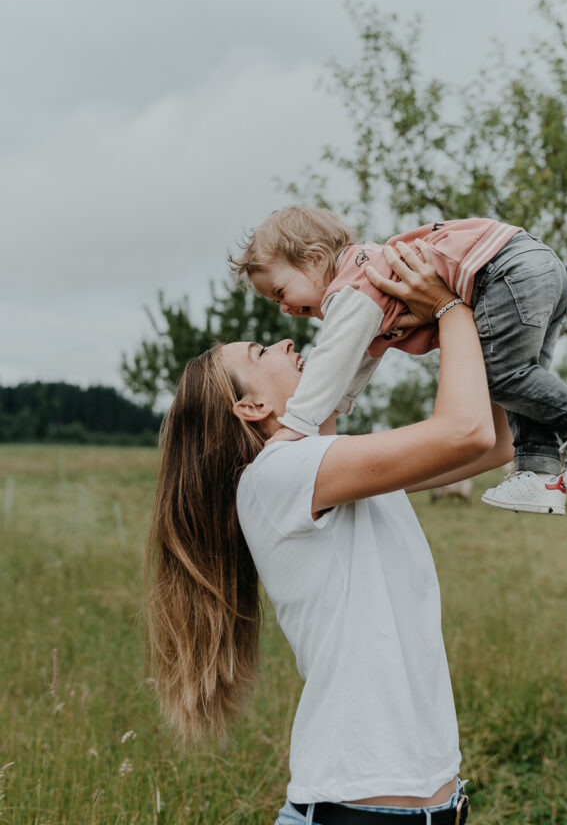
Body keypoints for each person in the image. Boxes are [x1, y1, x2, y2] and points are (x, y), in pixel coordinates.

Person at [145, 244, 516, 824]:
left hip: (435, 806)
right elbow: (465, 431)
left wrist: (492, 311)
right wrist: (450, 309)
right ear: (252, 405)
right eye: (261, 350)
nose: (288, 342)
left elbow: (497, 442)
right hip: (353, 809)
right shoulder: (276, 475)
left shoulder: (337, 470)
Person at [229, 206, 567, 515]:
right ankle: (539, 469)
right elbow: (360, 356)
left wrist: (298, 421)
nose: (284, 310)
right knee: (514, 380)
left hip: (503, 271)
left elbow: (334, 355)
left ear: (314, 259)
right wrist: (339, 403)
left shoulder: (349, 286)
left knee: (503, 375)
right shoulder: (366, 286)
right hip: (532, 266)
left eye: (281, 291)